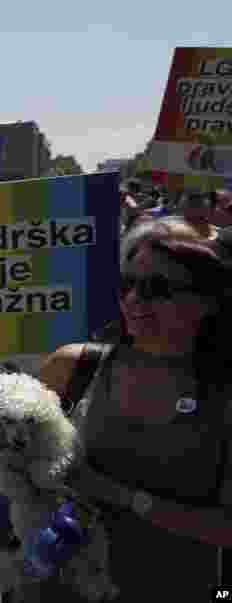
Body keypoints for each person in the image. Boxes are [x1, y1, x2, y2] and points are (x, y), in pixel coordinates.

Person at [33, 218, 232, 601]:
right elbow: (11, 467)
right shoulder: (73, 367)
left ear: (207, 300)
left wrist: (122, 496)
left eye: (157, 288)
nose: (134, 300)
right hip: (58, 588)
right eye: (127, 285)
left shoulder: (223, 395)